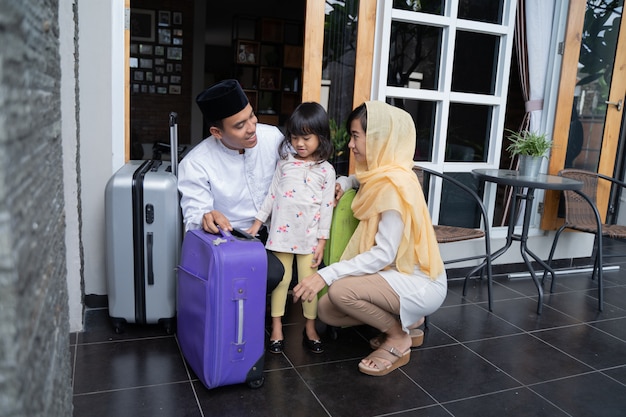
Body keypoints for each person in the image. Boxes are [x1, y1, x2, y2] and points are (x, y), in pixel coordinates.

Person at [292, 101, 448, 376]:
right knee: (328, 310)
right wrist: (345, 181)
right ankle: (409, 322)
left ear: (378, 138)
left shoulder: (393, 187)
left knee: (339, 291)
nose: (350, 144)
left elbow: (383, 255)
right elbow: (361, 178)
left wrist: (324, 275)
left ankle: (398, 336)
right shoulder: (382, 175)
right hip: (393, 276)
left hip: (419, 282)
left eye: (356, 136)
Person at [177, 79, 285, 291]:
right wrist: (206, 217)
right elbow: (194, 217)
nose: (252, 128)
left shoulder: (272, 137)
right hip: (236, 239)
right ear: (217, 132)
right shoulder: (196, 163)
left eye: (251, 116)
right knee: (270, 272)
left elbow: (303, 166)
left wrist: (341, 183)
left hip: (278, 228)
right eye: (240, 125)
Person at [247, 102, 335, 354]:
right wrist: (256, 225)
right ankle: (276, 327)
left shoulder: (326, 171)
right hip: (281, 235)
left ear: (321, 136)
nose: (300, 144)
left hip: (309, 238)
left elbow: (326, 208)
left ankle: (310, 327)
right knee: (281, 282)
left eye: (306, 138)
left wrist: (322, 242)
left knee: (308, 283)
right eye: (295, 138)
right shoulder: (284, 163)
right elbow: (271, 195)